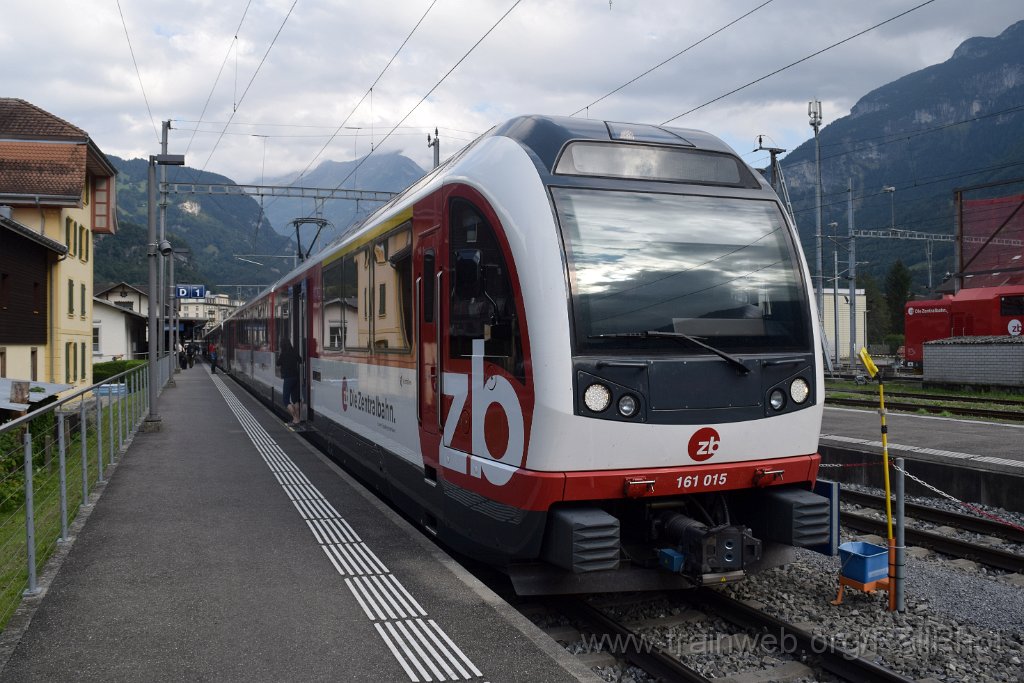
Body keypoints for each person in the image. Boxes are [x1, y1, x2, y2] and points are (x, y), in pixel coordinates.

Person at [277, 338, 302, 425]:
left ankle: (295, 418)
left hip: (288, 378)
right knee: (295, 399)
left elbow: (278, 363)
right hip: (296, 377)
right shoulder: (294, 352)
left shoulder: (283, 354)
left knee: (285, 400)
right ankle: (298, 419)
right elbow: (300, 360)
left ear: (282, 345)